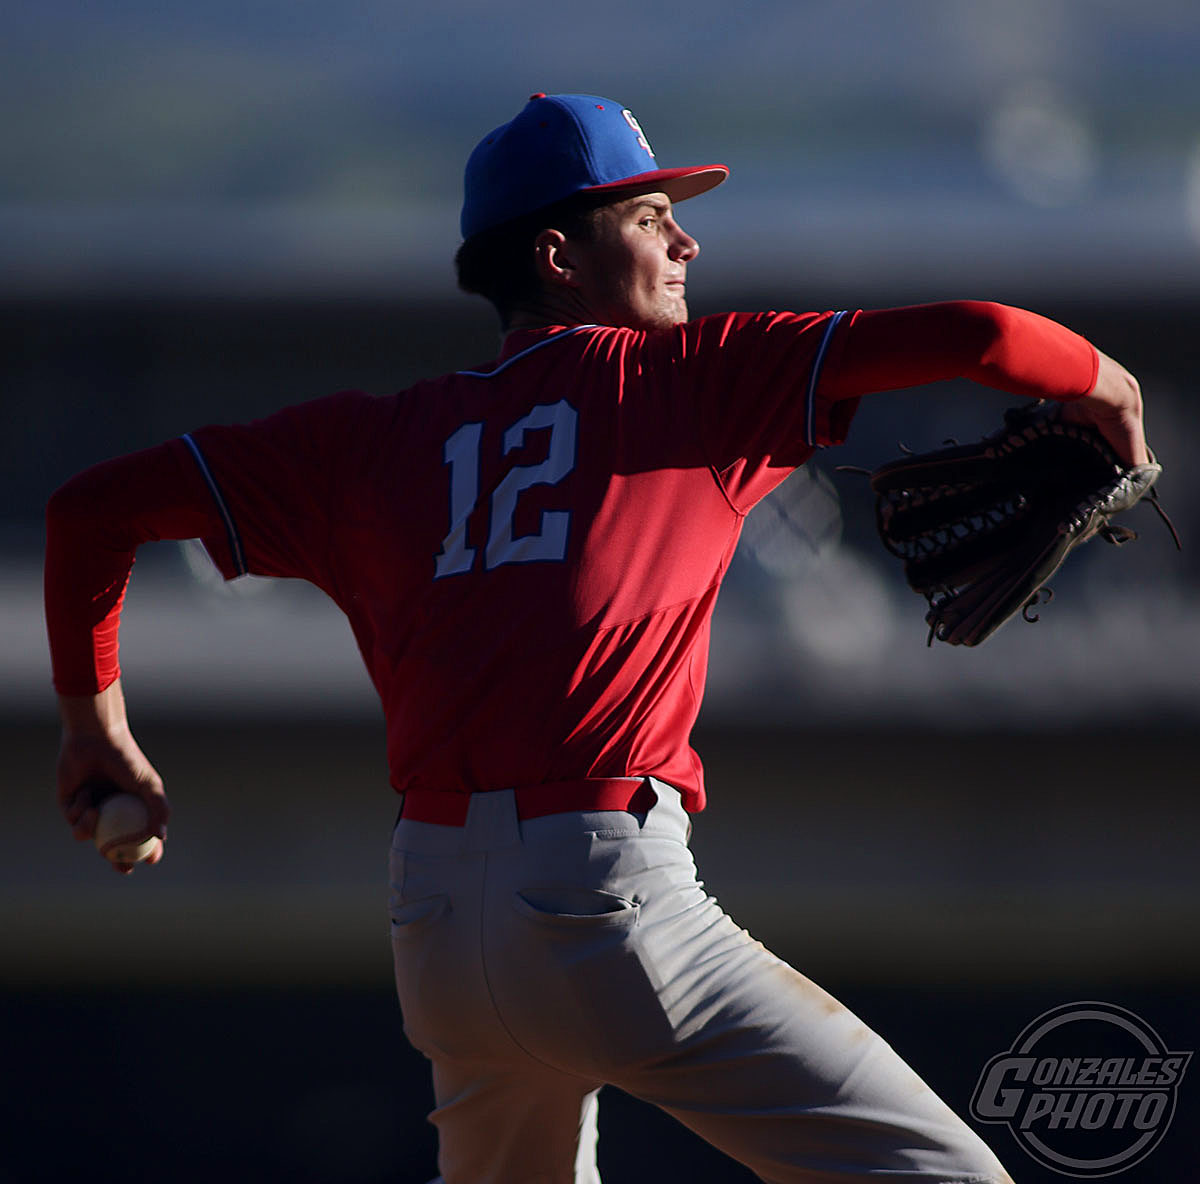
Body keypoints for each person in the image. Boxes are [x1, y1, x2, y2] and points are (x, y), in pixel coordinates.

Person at [45, 92, 1148, 1183]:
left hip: (435, 928)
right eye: (649, 218)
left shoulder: (362, 443)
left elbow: (90, 512)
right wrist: (1113, 383)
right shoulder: (689, 381)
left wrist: (95, 730)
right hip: (607, 905)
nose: (686, 240)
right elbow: (988, 336)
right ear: (560, 255)